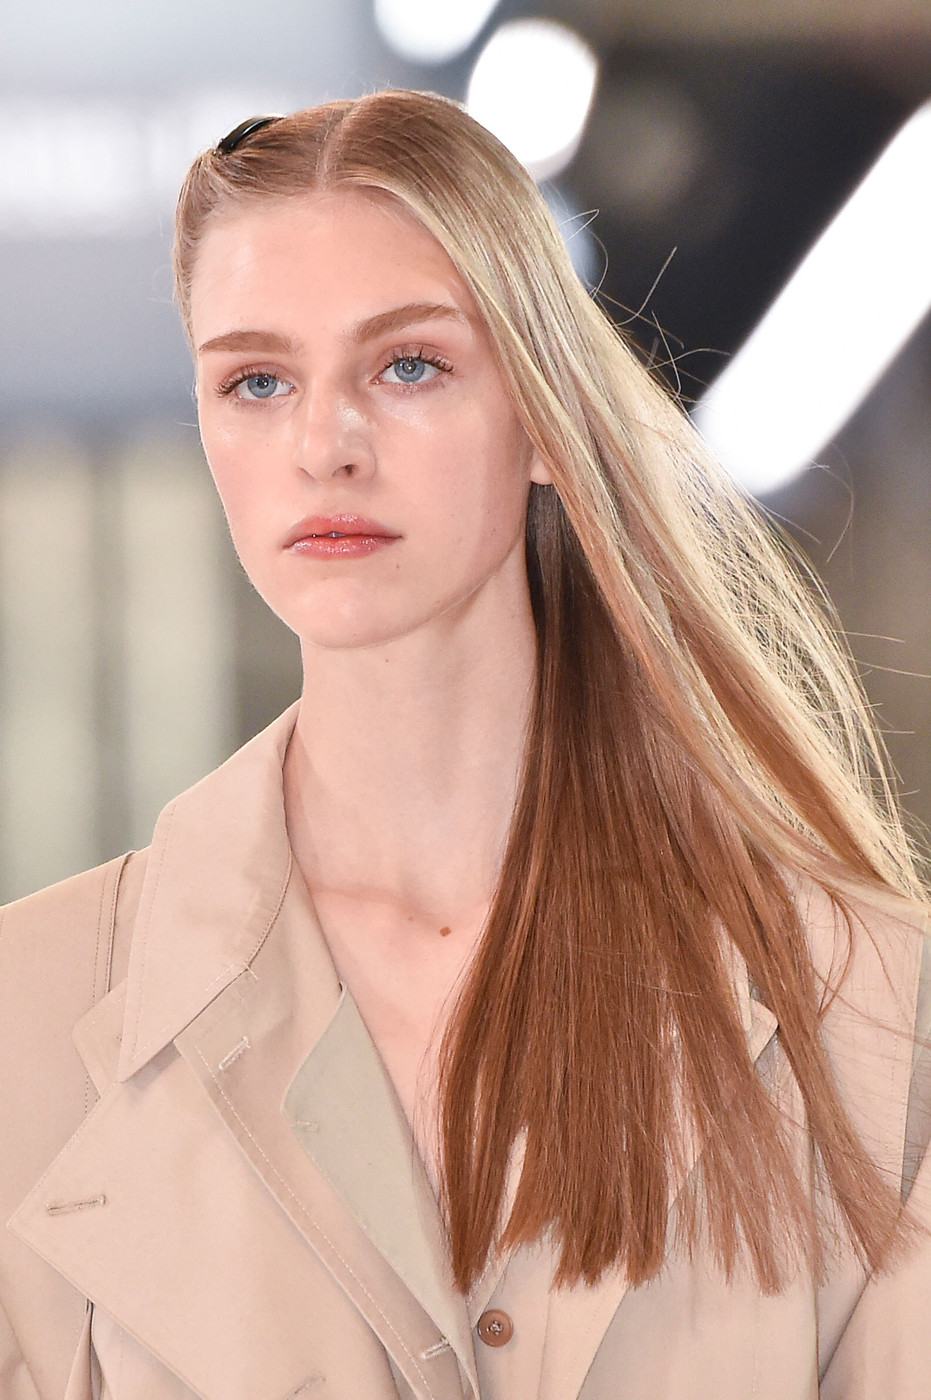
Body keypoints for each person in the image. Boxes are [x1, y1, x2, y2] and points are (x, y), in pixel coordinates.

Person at [1, 88, 929, 1400]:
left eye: (408, 366)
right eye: (257, 381)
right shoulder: (29, 1015)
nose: (324, 445)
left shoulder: (862, 1000)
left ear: (542, 416)